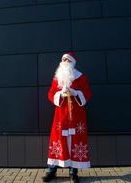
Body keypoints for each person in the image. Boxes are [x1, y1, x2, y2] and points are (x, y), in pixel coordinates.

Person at [42, 52, 92, 183]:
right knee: (58, 140)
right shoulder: (57, 77)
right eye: (63, 60)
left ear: (72, 63)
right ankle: (51, 170)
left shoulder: (80, 77)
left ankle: (73, 172)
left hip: (76, 116)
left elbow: (87, 93)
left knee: (74, 141)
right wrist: (60, 94)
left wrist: (75, 92)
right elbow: (50, 94)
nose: (64, 61)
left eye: (67, 60)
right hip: (61, 116)